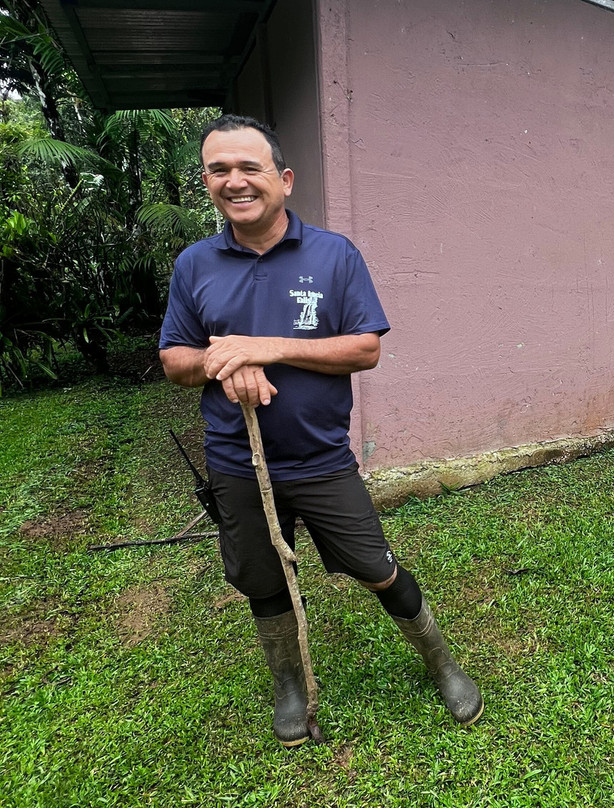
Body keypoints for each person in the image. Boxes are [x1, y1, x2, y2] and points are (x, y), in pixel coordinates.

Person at [159, 114, 483, 747]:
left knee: (375, 565)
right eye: (218, 169)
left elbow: (365, 348)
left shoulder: (333, 255)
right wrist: (222, 363)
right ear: (206, 182)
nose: (234, 181)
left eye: (249, 167)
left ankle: (440, 659)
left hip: (320, 459)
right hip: (236, 461)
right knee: (262, 577)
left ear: (284, 179)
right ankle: (288, 682)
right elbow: (175, 358)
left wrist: (264, 347)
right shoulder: (195, 264)